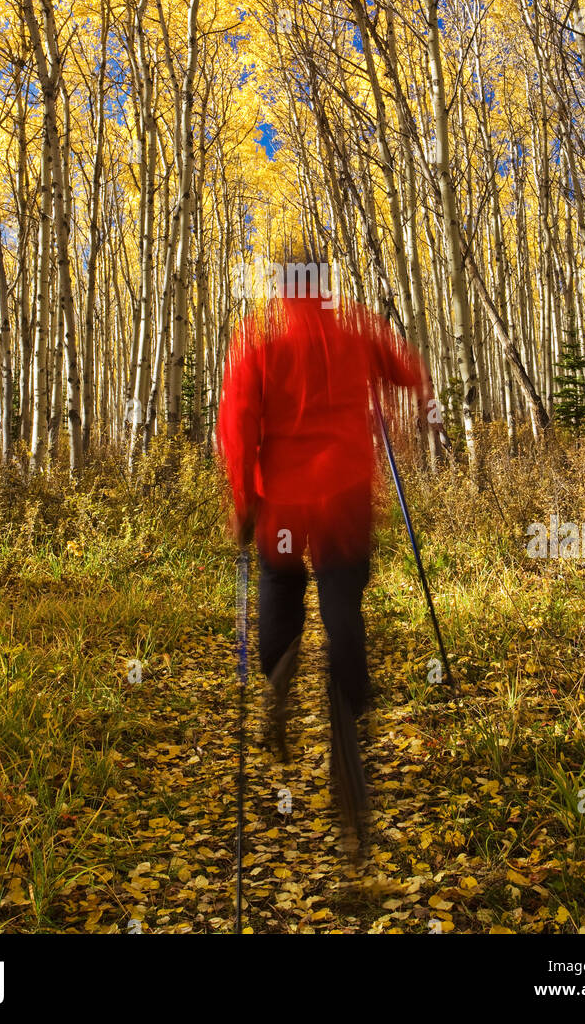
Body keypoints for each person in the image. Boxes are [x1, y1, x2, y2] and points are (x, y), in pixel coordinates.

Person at [217, 257, 433, 851]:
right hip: (343, 504)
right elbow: (408, 370)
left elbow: (238, 424)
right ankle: (349, 714)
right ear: (325, 288)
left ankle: (278, 672)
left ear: (282, 292)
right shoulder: (357, 330)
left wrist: (242, 500)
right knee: (344, 608)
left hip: (283, 510)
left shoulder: (259, 346)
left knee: (281, 592)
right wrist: (418, 404)